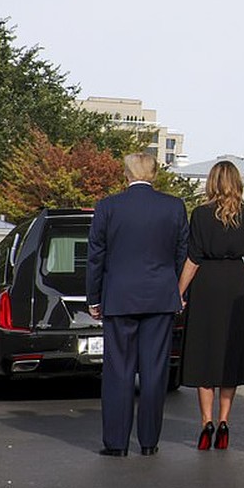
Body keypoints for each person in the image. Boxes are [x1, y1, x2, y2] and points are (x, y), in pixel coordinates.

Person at [86, 153, 189, 457]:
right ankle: (149, 442)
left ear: (126, 174)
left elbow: (96, 256)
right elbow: (183, 252)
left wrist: (94, 297)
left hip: (119, 297)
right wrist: (178, 292)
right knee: (155, 371)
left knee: (119, 370)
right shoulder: (174, 206)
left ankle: (117, 443)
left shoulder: (108, 206)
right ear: (154, 174)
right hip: (160, 297)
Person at [177, 160, 244, 450]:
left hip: (207, 284)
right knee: (229, 354)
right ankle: (225, 422)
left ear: (212, 182)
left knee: (204, 352)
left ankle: (205, 423)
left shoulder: (199, 214)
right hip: (235, 283)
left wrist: (179, 291)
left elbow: (194, 257)